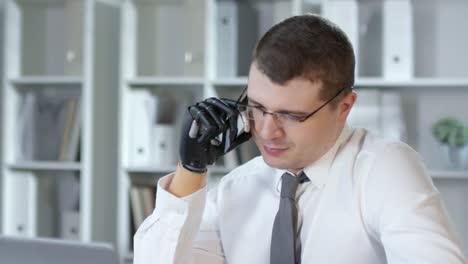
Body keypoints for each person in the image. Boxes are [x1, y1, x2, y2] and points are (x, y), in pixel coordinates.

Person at [133, 14, 466, 264]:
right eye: (258, 108)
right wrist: (191, 169)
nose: (266, 131)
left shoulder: (382, 168)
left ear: (344, 107)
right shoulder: (237, 188)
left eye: (291, 116)